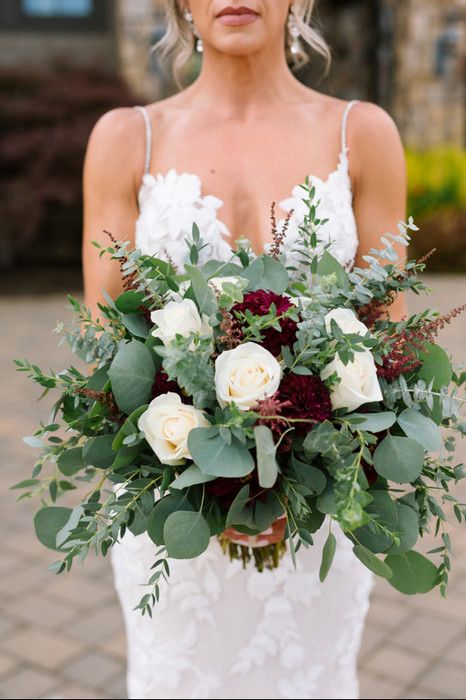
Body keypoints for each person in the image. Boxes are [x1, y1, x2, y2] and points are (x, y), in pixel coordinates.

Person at [82, 2, 407, 698]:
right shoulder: (124, 138)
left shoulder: (363, 133)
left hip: (315, 513)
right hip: (173, 512)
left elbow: (389, 344)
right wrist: (208, 482)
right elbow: (110, 346)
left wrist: (302, 479)